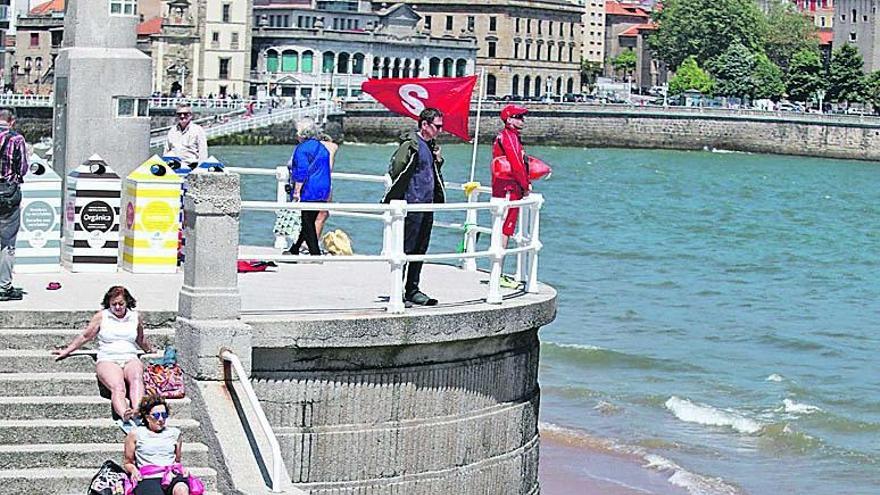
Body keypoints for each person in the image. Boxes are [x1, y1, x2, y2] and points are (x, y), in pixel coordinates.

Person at [54, 286, 154, 430]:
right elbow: (85, 336)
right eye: (114, 304)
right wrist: (67, 350)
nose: (118, 307)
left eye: (121, 303)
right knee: (118, 386)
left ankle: (138, 411)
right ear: (109, 303)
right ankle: (124, 413)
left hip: (129, 356)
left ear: (127, 303)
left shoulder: (135, 316)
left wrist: (149, 350)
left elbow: (140, 338)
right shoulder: (102, 316)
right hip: (108, 358)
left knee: (137, 378)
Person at [382, 108, 445, 306]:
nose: (440, 130)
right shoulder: (411, 145)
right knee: (406, 248)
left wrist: (438, 161)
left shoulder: (430, 146)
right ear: (424, 125)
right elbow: (397, 169)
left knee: (420, 249)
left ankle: (413, 289)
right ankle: (397, 289)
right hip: (412, 204)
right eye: (437, 126)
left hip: (427, 204)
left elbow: (430, 173)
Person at [123, 395, 194, 495]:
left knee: (182, 490)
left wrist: (181, 468)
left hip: (170, 474)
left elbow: (177, 460)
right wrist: (133, 470)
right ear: (147, 418)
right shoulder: (135, 434)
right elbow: (128, 462)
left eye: (164, 415)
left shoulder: (174, 433)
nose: (161, 419)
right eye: (156, 415)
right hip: (148, 476)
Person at [287, 118, 331, 256]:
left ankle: (315, 253)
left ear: (301, 134)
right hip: (323, 187)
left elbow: (301, 171)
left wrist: (297, 191)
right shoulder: (322, 147)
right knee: (309, 219)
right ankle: (294, 249)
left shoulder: (302, 149)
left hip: (309, 188)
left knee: (307, 221)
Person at [0, 108, 29, 301]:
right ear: (12, 121)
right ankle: (3, 287)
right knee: (7, 241)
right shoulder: (16, 139)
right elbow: (24, 168)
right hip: (8, 195)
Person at [492, 104, 531, 247]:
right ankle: (498, 264)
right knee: (506, 225)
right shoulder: (509, 137)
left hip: (502, 187)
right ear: (509, 120)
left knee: (503, 223)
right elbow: (517, 164)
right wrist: (525, 186)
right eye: (519, 117)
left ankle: (497, 263)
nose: (523, 120)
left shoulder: (507, 136)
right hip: (509, 188)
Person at [314, 133, 338, 240]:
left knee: (312, 214)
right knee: (322, 214)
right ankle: (310, 243)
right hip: (324, 183)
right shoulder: (332, 146)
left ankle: (307, 242)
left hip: (311, 183)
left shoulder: (310, 148)